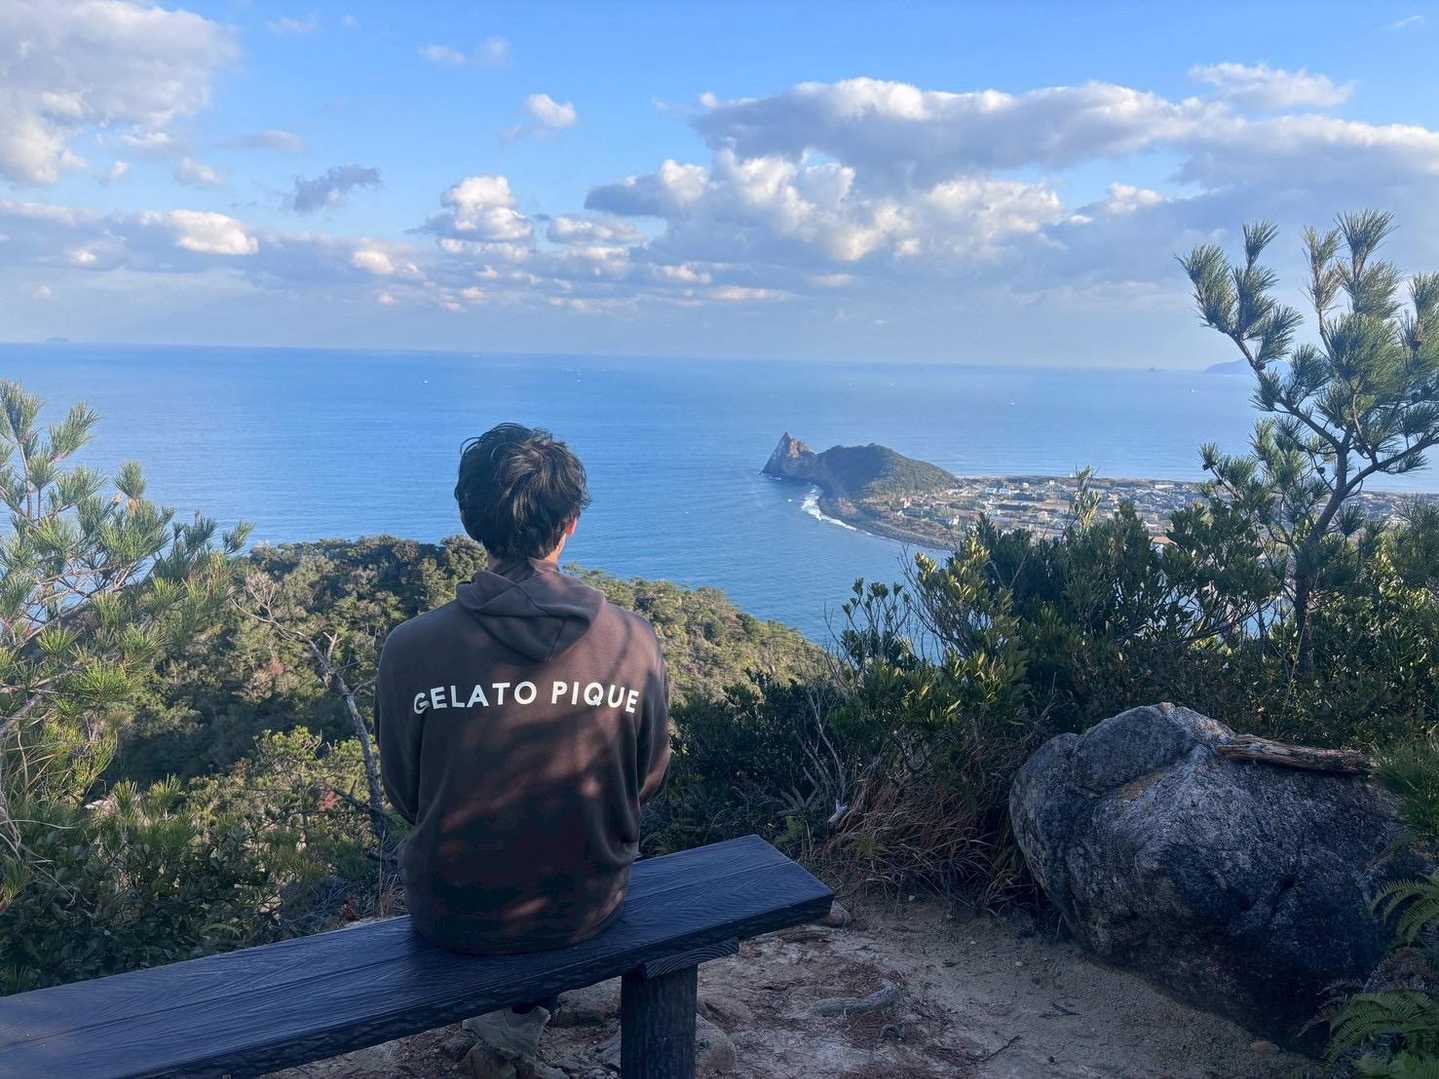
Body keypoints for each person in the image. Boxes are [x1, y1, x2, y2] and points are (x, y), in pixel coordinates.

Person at [376, 423, 671, 1070]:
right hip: (588, 905)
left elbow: (406, 792)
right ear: (570, 523)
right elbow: (646, 779)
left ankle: (505, 1033)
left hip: (452, 913)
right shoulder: (633, 641)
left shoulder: (410, 648)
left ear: (469, 519)